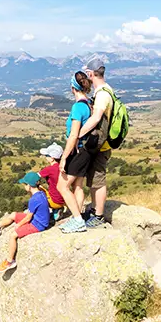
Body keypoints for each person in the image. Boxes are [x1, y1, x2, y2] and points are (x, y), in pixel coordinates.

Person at [0, 171, 51, 272]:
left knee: (13, 235)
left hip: (38, 224)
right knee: (13, 215)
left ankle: (10, 261)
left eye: (25, 184)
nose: (24, 186)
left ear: (29, 186)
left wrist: (18, 225)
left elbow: (28, 218)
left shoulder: (34, 199)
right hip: (37, 218)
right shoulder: (41, 192)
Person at [77, 57, 114, 229]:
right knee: (93, 179)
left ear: (91, 74)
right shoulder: (106, 90)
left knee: (98, 180)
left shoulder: (102, 95)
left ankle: (98, 215)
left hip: (101, 145)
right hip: (101, 144)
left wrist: (78, 134)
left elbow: (96, 118)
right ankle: (94, 209)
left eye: (87, 73)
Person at [57, 71, 95, 233]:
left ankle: (78, 221)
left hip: (77, 151)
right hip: (86, 151)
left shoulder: (78, 107)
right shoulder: (89, 104)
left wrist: (64, 158)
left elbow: (73, 135)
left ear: (73, 87)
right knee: (77, 185)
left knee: (62, 186)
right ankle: (76, 217)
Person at [37, 142, 66, 218]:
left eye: (47, 155)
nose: (45, 157)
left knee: (39, 189)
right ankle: (57, 210)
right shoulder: (63, 167)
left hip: (54, 201)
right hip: (65, 200)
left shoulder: (49, 169)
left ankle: (45, 214)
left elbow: (34, 177)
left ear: (52, 158)